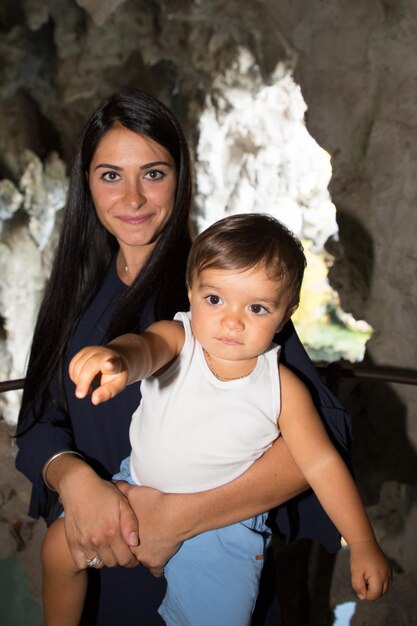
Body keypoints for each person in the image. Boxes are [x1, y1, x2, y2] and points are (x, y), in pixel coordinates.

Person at [15, 88, 352, 626]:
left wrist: (180, 517)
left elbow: (316, 438)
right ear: (86, 183)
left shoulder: (220, 295)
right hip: (100, 560)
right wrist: (74, 480)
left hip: (200, 564)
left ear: (181, 177)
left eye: (153, 173)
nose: (132, 198)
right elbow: (39, 421)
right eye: (110, 176)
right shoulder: (76, 292)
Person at [41, 214, 391, 626]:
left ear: (285, 314)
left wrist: (363, 542)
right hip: (135, 488)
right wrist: (118, 359)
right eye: (214, 300)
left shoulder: (282, 389)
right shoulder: (180, 340)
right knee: (57, 549)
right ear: (190, 292)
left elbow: (321, 464)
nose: (232, 320)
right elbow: (146, 348)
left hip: (223, 534)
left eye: (257, 308)